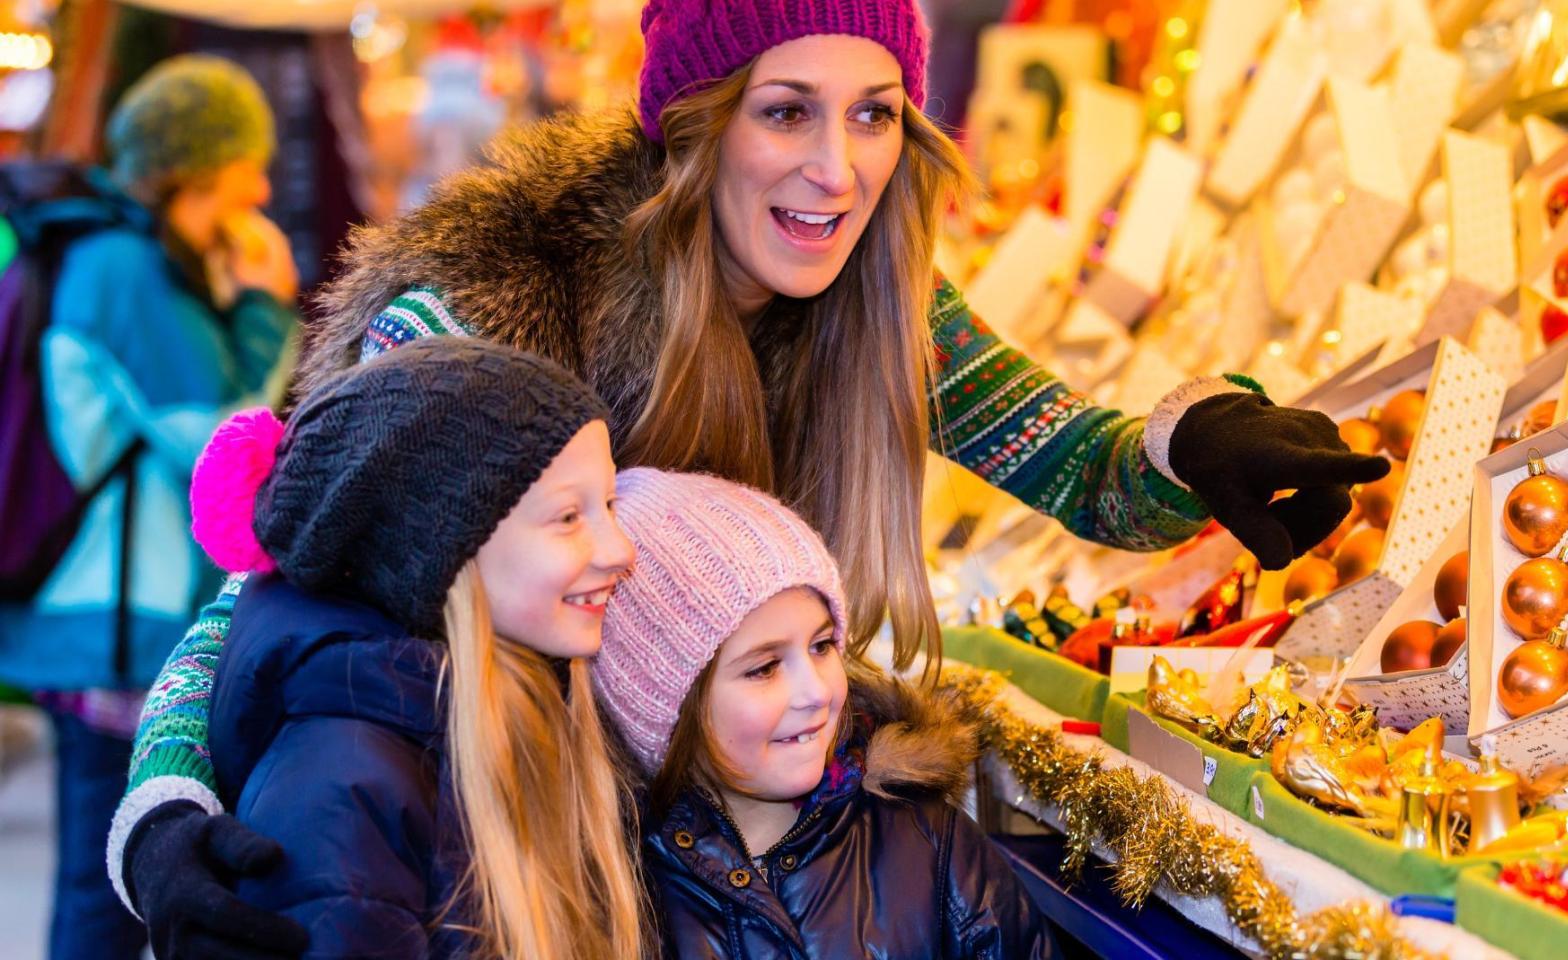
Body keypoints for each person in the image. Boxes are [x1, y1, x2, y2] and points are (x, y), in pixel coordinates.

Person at [113, 2, 1388, 951]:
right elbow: (264, 583)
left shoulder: (874, 297)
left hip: (690, 873)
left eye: (874, 113)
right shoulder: (496, 300)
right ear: (696, 122)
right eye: (786, 111)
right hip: (497, 870)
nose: (836, 170)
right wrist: (166, 809)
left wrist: (1194, 447)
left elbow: (1071, 460)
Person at [184, 338, 647, 959]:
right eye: (569, 517)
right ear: (438, 547)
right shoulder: (346, 798)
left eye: (611, 504)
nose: (622, 550)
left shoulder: (515, 706)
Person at [0, 55, 299, 960]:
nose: (261, 179)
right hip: (114, 623)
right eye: (247, 157)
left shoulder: (106, 251)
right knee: (106, 890)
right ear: (201, 166)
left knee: (91, 877)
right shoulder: (125, 267)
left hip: (90, 610)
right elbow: (212, 434)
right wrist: (261, 302)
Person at [594, 468, 1054, 958]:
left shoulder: (929, 845)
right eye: (765, 668)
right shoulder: (619, 889)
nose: (815, 692)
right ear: (666, 702)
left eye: (821, 645)